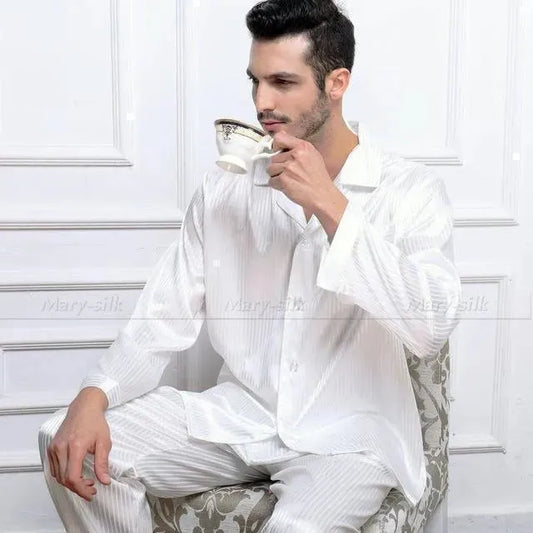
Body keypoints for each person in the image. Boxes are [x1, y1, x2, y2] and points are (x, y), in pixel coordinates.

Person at [38, 0, 462, 531]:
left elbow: (430, 324)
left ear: (336, 83)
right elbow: (163, 315)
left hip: (350, 438)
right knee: (67, 443)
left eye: (283, 82)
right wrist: (94, 394)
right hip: (242, 418)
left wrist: (330, 204)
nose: (262, 102)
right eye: (255, 81)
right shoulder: (225, 189)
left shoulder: (410, 190)